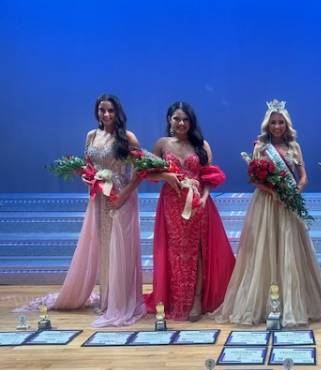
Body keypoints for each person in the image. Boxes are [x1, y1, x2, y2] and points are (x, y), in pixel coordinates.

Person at [16, 94, 146, 327]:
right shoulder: (91, 135)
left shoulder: (128, 137)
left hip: (121, 198)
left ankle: (121, 300)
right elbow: (89, 167)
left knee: (120, 249)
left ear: (118, 113)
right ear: (96, 112)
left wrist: (123, 195)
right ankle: (107, 299)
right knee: (104, 248)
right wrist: (85, 176)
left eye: (110, 111)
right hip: (99, 199)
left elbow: (140, 172)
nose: (106, 115)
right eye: (101, 110)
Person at [215, 99, 321, 327]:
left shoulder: (295, 147)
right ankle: (263, 304)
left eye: (281, 123)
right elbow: (254, 179)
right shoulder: (260, 147)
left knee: (290, 248)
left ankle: (292, 301)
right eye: (273, 123)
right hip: (267, 203)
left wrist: (297, 189)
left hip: (287, 202)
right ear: (267, 125)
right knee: (264, 250)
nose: (277, 127)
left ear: (287, 125)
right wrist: (272, 191)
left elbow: (304, 176)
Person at [144, 101, 235, 321]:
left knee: (199, 251)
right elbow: (148, 173)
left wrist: (203, 199)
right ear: (169, 120)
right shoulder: (162, 144)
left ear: (191, 121)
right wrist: (166, 176)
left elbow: (208, 178)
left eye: (185, 119)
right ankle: (176, 299)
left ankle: (196, 299)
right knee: (176, 252)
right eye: (177, 118)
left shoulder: (201, 145)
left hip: (198, 205)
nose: (181, 123)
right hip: (171, 204)